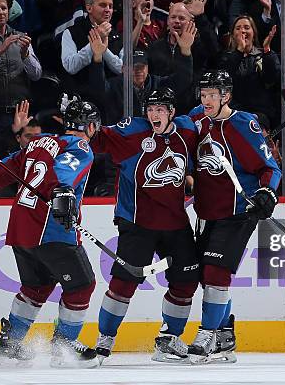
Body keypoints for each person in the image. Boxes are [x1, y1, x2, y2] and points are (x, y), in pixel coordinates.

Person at [0, 99, 102, 369]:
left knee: (36, 287)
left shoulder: (37, 142)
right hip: (50, 228)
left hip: (20, 228)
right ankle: (64, 346)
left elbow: (6, 169)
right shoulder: (80, 146)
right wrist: (62, 191)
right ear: (90, 126)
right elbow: (64, 170)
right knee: (82, 284)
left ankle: (10, 342)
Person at [89, 88, 200, 364]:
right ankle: (104, 341)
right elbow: (98, 138)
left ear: (172, 112)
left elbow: (207, 121)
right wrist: (81, 124)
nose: (154, 115)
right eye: (150, 110)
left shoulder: (186, 130)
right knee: (123, 283)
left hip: (175, 221)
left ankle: (169, 340)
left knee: (186, 281)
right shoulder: (133, 131)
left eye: (160, 109)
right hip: (137, 222)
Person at [188, 70, 281, 363]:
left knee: (217, 272)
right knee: (205, 275)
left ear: (226, 96)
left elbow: (270, 168)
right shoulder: (197, 121)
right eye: (203, 95)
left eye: (212, 95)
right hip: (206, 212)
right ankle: (225, 337)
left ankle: (207, 334)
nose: (206, 100)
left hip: (239, 211)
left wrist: (267, 193)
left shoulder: (243, 124)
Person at [0, 0, 42, 158]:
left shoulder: (21, 37)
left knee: (21, 162)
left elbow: (36, 74)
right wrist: (0, 51)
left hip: (20, 114)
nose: (1, 13)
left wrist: (25, 55)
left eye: (4, 8)